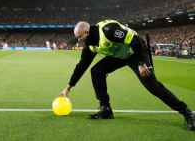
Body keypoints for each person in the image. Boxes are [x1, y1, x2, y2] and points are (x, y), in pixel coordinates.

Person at [59, 19, 195, 131]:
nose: (79, 41)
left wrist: (141, 63)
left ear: (87, 32)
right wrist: (68, 87)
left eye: (80, 37)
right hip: (120, 56)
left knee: (152, 86)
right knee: (96, 71)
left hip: (136, 51)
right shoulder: (90, 45)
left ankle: (187, 112)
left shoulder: (107, 30)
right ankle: (105, 108)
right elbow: (82, 66)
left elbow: (135, 40)